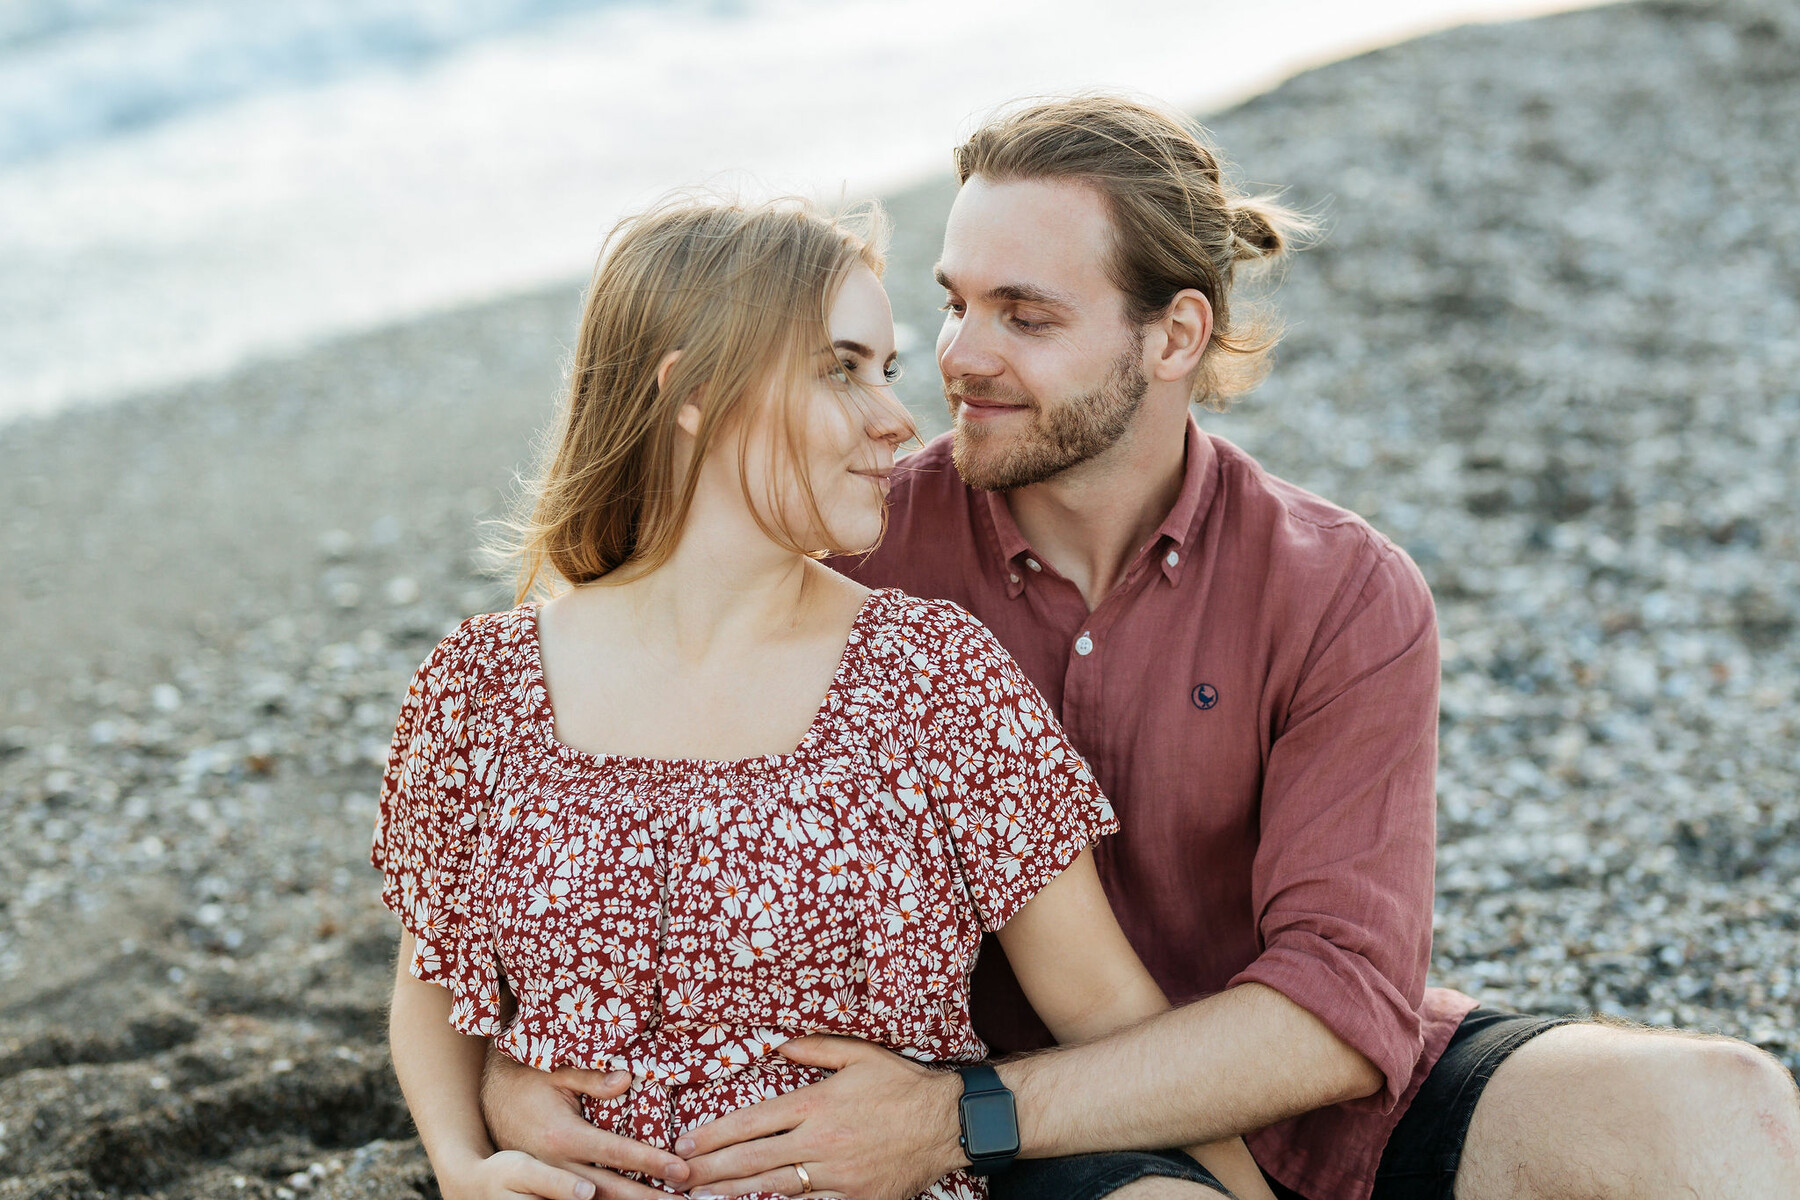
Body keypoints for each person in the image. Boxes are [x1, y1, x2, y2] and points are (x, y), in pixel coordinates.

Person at [481, 97, 1800, 1200]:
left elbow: (1343, 1006)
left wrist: (968, 1117)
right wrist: (510, 1063)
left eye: (1026, 316)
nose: (958, 359)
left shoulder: (1342, 590)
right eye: (951, 304)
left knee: (1729, 1113)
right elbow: (576, 773)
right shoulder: (844, 539)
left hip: (1240, 1090)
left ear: (1173, 336)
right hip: (947, 1129)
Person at [373, 193, 1277, 1200]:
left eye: (887, 372)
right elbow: (434, 981)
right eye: (841, 370)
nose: (898, 420)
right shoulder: (483, 686)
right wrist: (459, 1165)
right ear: (694, 394)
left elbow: (1108, 1011)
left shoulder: (932, 677)